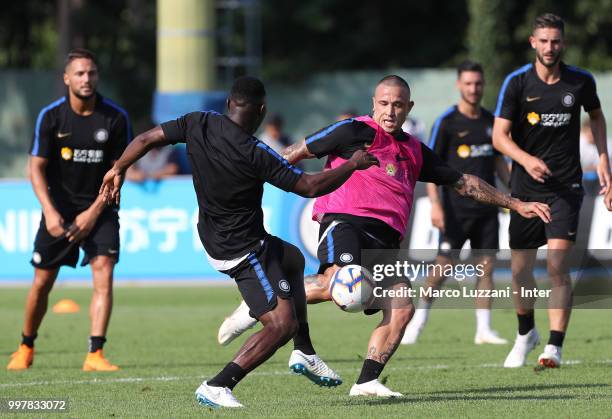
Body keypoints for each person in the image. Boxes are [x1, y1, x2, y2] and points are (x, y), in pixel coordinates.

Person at [218, 75, 551, 397]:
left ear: (409, 107)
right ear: (373, 104)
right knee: (342, 282)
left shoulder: (416, 150)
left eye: (398, 105)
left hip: (387, 242)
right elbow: (296, 151)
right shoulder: (353, 130)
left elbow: (465, 183)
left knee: (403, 305)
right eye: (384, 103)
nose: (390, 111)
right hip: (345, 222)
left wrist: (514, 203)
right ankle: (258, 303)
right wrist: (248, 178)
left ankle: (366, 382)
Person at [99, 76, 379, 409]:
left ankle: (304, 352)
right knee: (281, 324)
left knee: (292, 259)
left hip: (213, 234)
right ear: (262, 110)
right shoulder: (256, 152)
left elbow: (146, 138)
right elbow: (309, 186)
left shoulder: (198, 121)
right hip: (242, 250)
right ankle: (218, 385)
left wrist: (118, 167)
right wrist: (353, 164)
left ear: (230, 103)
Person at [493, 13, 612, 369]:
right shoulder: (516, 83)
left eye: (556, 41)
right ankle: (525, 333)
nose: (550, 47)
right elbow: (499, 136)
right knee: (520, 273)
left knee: (558, 265)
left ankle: (554, 347)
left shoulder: (580, 81)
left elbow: (597, 116)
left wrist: (604, 158)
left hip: (566, 188)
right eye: (543, 41)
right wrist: (525, 160)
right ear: (533, 42)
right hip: (524, 192)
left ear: (564, 43)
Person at [7, 49, 132, 371]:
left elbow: (119, 173)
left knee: (103, 272)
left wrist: (93, 213)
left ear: (97, 77)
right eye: (79, 73)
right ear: (66, 78)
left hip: (101, 207)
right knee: (42, 282)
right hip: (59, 210)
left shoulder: (115, 118)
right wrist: (49, 211)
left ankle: (95, 354)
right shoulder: (51, 117)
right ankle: (26, 346)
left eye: (91, 73)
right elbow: (35, 168)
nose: (86, 79)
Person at [401, 60, 510, 346]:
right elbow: (431, 166)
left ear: (483, 85)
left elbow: (498, 161)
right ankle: (417, 322)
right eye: (469, 83)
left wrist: (513, 192)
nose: (474, 88)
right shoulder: (447, 123)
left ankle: (483, 329)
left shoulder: (491, 121)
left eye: (478, 83)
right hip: (455, 210)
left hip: (487, 210)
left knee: (486, 268)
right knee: (442, 267)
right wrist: (435, 204)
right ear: (459, 85)